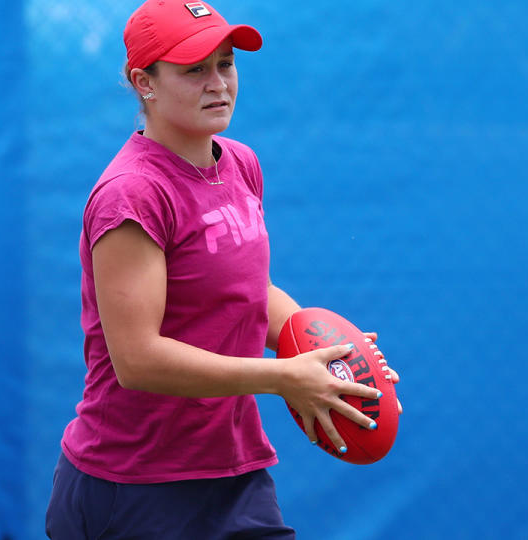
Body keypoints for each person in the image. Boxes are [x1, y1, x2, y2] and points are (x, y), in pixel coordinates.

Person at [46, 2, 400, 538]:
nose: (219, 83)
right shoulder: (132, 195)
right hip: (134, 482)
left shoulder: (240, 163)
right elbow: (138, 360)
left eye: (227, 64)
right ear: (145, 82)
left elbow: (251, 292)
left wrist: (330, 358)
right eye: (194, 70)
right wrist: (286, 378)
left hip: (232, 473)